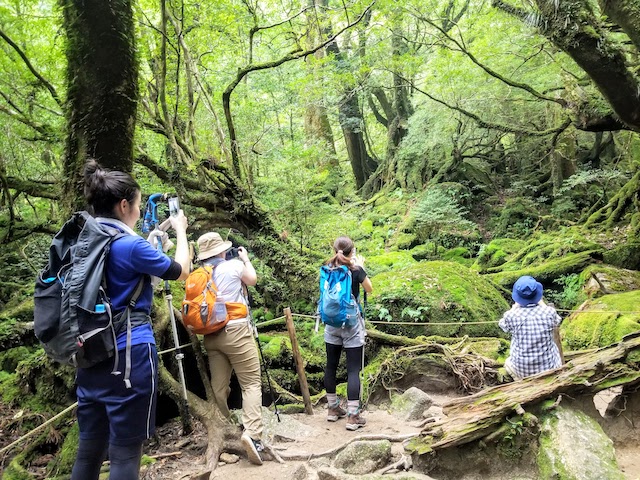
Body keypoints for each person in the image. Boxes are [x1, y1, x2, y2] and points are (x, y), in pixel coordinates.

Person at [71, 160, 190, 480]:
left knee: (89, 450)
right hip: (129, 356)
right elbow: (181, 270)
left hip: (88, 353)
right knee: (125, 453)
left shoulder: (82, 243)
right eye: (137, 205)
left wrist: (155, 237)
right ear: (124, 205)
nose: (138, 212)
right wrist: (180, 231)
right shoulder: (130, 245)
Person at [197, 232, 265, 465]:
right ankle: (253, 435)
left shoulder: (198, 275)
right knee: (251, 383)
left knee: (219, 387)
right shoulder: (233, 265)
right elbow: (252, 280)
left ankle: (227, 427)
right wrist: (245, 259)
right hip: (236, 331)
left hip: (210, 336)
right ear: (222, 251)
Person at [323, 236, 373, 431]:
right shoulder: (355, 269)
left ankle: (333, 408)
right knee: (353, 370)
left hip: (331, 323)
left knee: (331, 366)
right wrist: (359, 266)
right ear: (352, 251)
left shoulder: (327, 268)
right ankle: (353, 416)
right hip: (351, 323)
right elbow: (369, 288)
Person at [499, 275, 563, 380]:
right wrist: (542, 304)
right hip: (548, 368)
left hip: (521, 370)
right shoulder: (549, 312)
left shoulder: (511, 315)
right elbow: (557, 321)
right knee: (555, 353)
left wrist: (514, 308)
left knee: (508, 362)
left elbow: (503, 325)